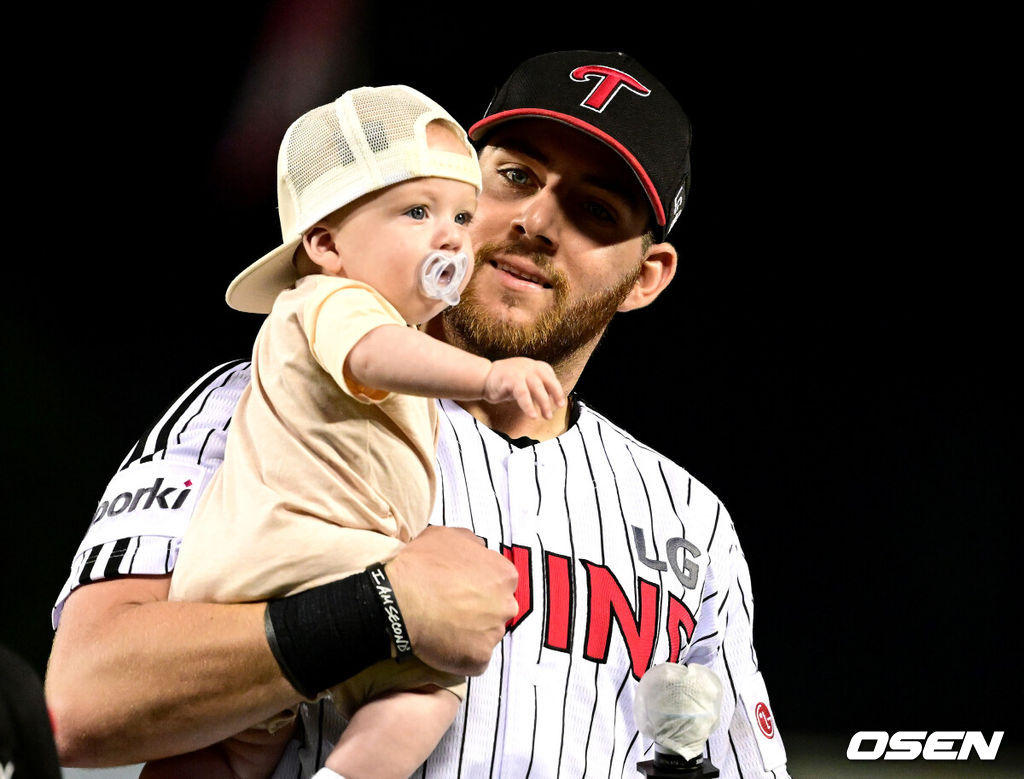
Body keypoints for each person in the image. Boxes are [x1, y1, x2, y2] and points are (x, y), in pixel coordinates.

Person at [46, 50, 790, 778]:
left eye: (594, 209)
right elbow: (80, 703)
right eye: (514, 176)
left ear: (647, 277)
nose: (535, 218)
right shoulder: (259, 396)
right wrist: (376, 610)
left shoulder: (691, 520)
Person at [140, 84, 563, 779]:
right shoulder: (337, 302)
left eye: (462, 213)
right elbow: (373, 355)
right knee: (430, 681)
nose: (452, 235)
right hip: (306, 551)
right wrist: (486, 376)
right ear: (328, 243)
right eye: (418, 211)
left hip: (249, 572)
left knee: (229, 748)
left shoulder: (360, 314)